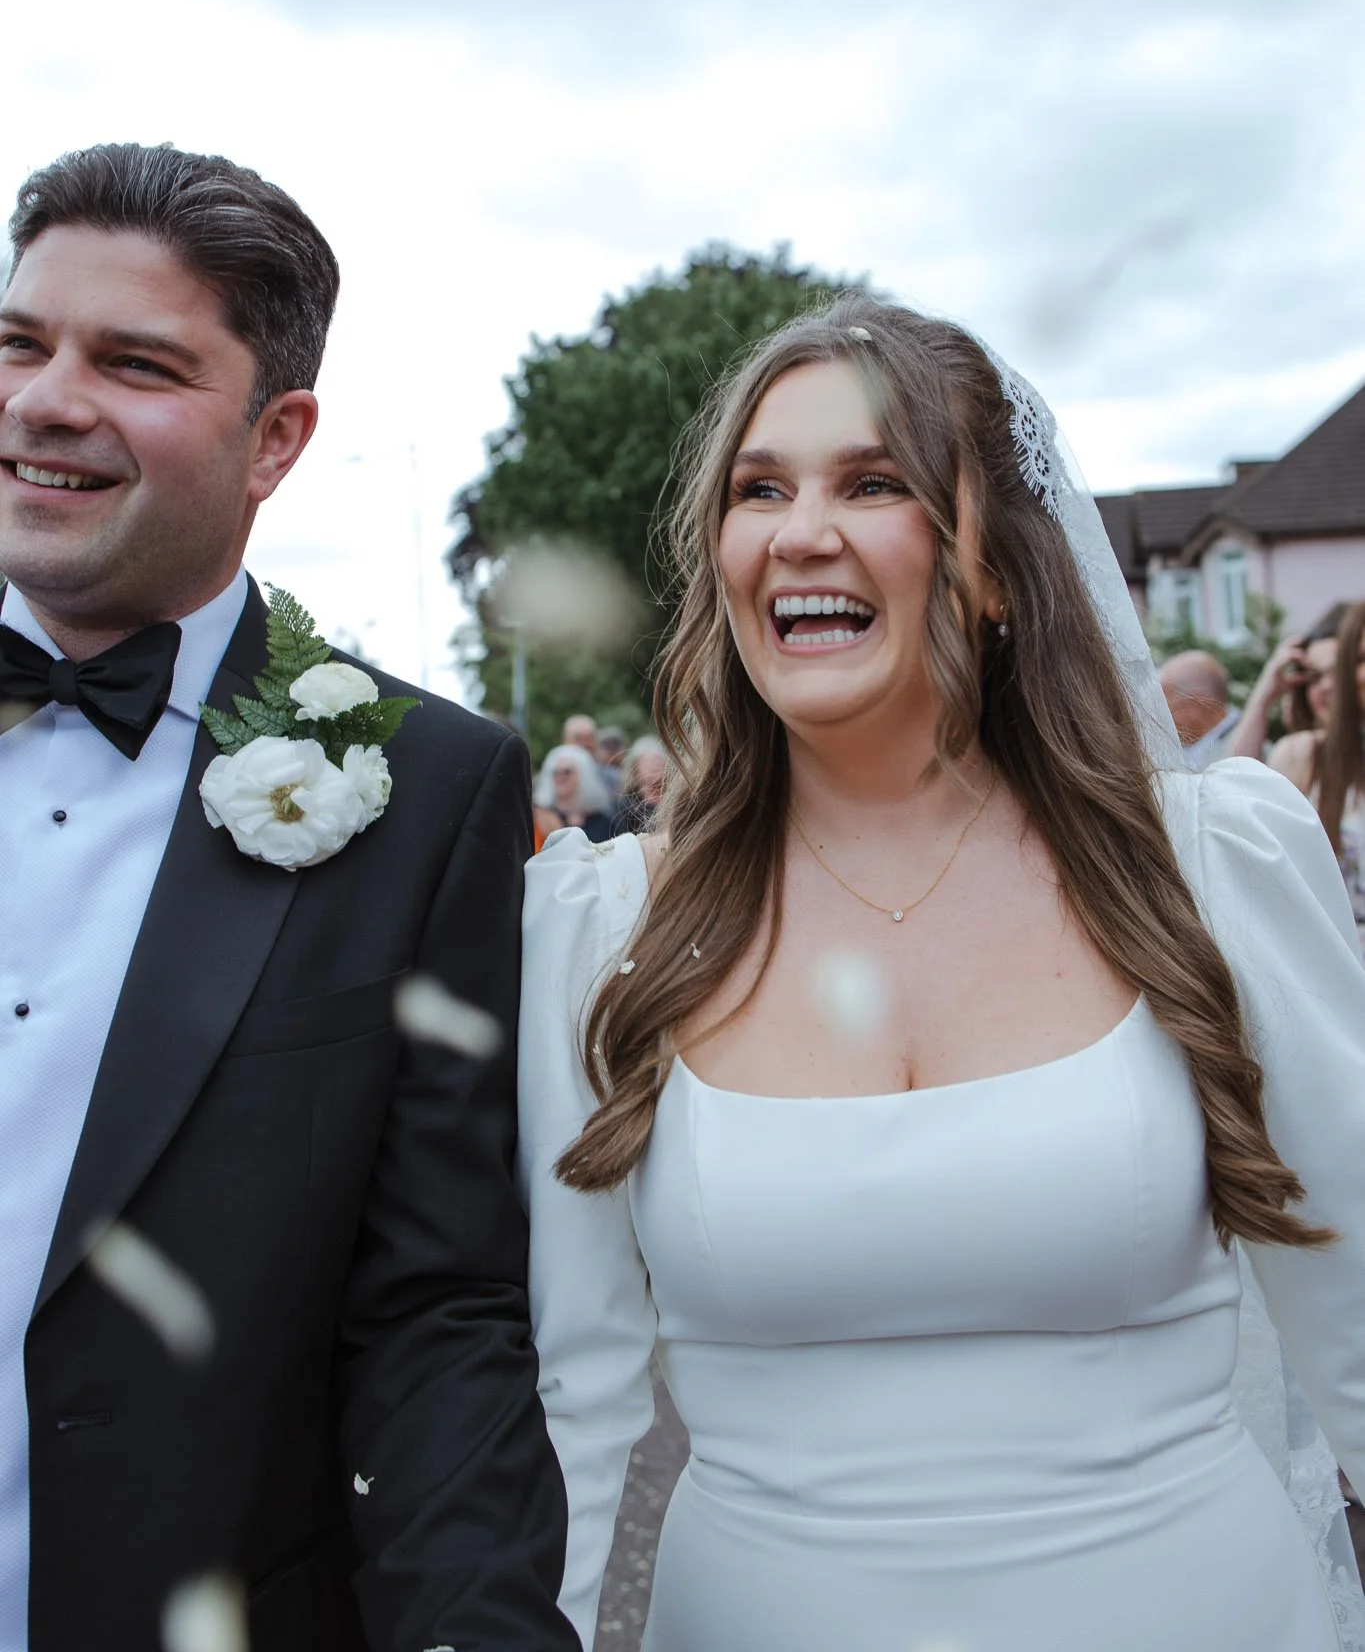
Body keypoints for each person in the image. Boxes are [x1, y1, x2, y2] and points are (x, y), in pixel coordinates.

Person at [519, 296, 1365, 1652]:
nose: (801, 531)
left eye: (874, 482)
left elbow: (1358, 1319)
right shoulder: (597, 927)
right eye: (758, 489)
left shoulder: (1209, 860)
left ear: (997, 568)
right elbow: (571, 1395)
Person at [0, 145, 575, 1652]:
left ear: (277, 440)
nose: (46, 400)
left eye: (134, 364)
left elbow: (436, 1314)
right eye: (18, 343)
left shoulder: (424, 790)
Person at [1263, 602, 1365, 956]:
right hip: (1337, 965)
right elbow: (1231, 801)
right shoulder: (1300, 754)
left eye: (1336, 671)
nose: (1326, 688)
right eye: (1313, 678)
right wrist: (1265, 694)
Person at [1229, 626, 1340, 765]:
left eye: (1338, 673)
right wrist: (1263, 696)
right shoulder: (1298, 756)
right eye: (1314, 677)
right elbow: (1239, 772)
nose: (1327, 686)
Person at [1157, 648, 1237, 766]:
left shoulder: (1245, 751)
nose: (1158, 712)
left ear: (1196, 703)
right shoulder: (1185, 745)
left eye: (1164, 700)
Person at [535, 742, 615, 843]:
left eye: (566, 771)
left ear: (583, 774)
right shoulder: (540, 819)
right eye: (556, 772)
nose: (560, 777)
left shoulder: (603, 821)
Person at [610, 734, 667, 836]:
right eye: (648, 763)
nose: (654, 767)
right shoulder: (625, 806)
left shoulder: (678, 799)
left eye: (658, 761)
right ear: (635, 768)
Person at [595, 724, 628, 801]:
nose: (612, 753)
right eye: (607, 748)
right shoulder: (594, 772)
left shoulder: (631, 771)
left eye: (615, 747)